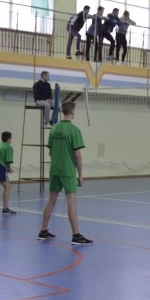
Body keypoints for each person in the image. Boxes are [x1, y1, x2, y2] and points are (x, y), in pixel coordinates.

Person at [38, 101, 93, 245]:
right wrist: (80, 175)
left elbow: (50, 152)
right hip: (67, 170)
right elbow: (77, 155)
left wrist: (58, 161)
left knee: (51, 200)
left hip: (54, 169)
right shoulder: (74, 130)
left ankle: (43, 231)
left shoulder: (54, 128)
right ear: (72, 113)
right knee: (71, 201)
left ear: (63, 111)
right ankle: (76, 236)